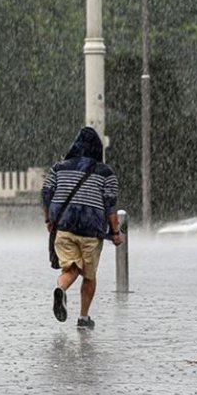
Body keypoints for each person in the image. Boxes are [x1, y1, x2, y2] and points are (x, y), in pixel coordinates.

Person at [41, 126, 123, 329]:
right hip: (91, 231)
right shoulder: (106, 173)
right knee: (89, 275)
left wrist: (48, 220)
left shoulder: (59, 168)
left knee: (71, 268)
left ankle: (61, 287)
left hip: (64, 227)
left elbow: (46, 194)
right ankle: (84, 318)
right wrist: (115, 233)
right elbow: (110, 206)